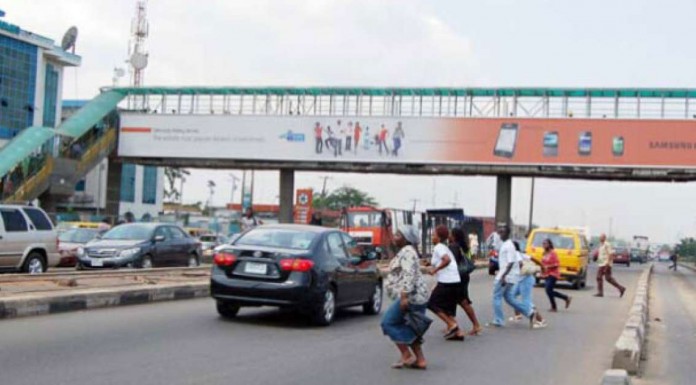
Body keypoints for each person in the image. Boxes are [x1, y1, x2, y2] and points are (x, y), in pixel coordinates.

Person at [382, 225, 429, 370]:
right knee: (410, 326)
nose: (394, 237)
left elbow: (409, 275)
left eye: (398, 235)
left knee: (388, 323)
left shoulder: (407, 252)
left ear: (406, 238)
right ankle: (420, 360)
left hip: (411, 297)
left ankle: (406, 355)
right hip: (414, 296)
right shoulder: (407, 252)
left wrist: (404, 296)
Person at [492, 224, 545, 328]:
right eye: (499, 232)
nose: (500, 234)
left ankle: (499, 320)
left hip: (507, 277)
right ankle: (530, 313)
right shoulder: (506, 245)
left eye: (502, 232)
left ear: (507, 233)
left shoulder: (509, 246)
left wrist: (503, 275)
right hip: (512, 277)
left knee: (496, 297)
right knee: (509, 298)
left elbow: (511, 262)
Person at [427, 225, 465, 341]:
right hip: (454, 280)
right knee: (446, 308)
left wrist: (435, 270)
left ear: (438, 237)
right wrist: (429, 264)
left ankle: (452, 325)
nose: (432, 237)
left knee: (432, 304)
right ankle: (458, 332)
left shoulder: (439, 247)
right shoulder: (444, 247)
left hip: (447, 281)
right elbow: (443, 260)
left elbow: (447, 260)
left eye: (433, 235)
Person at [449, 227, 482, 335]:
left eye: (450, 234)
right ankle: (451, 324)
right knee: (452, 300)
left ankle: (476, 325)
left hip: (458, 277)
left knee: (463, 301)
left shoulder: (454, 247)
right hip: (464, 276)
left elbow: (453, 262)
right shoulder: (464, 247)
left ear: (454, 236)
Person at [509, 241, 544, 324]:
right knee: (512, 296)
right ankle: (518, 316)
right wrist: (542, 266)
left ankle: (541, 320)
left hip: (525, 279)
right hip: (521, 279)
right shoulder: (519, 254)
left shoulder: (515, 254)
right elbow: (533, 258)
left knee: (526, 302)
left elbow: (520, 264)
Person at [541, 239, 572, 312]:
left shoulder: (553, 253)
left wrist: (548, 267)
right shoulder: (544, 253)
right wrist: (541, 272)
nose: (544, 245)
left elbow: (557, 264)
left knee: (548, 289)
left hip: (553, 274)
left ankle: (556, 305)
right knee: (549, 291)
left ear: (549, 244)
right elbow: (542, 264)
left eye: (545, 244)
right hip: (546, 274)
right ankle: (565, 298)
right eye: (543, 244)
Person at [595, 234, 626, 298]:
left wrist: (607, 264)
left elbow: (610, 254)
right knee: (608, 278)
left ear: (604, 238)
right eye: (600, 237)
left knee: (599, 277)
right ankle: (621, 288)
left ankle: (600, 292)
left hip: (605, 264)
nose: (600, 238)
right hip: (601, 263)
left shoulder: (607, 245)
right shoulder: (601, 245)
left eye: (601, 237)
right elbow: (601, 255)